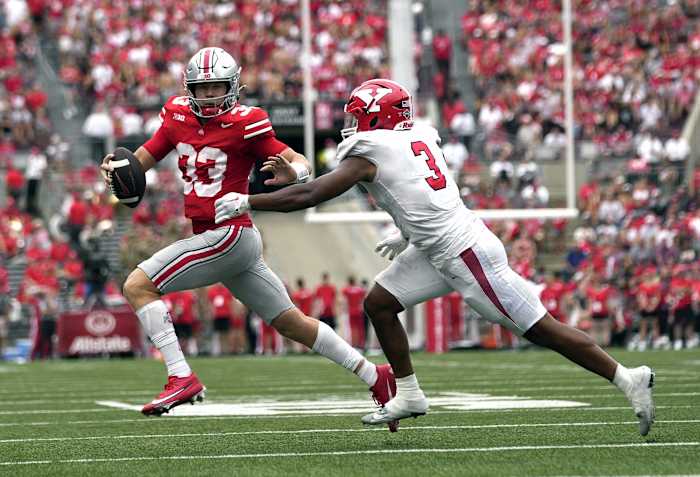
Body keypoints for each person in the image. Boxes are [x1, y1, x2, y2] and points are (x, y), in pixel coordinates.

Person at [213, 78, 656, 436]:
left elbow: (311, 193)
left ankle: (625, 377)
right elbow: (421, 193)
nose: (350, 125)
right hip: (437, 246)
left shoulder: (370, 152)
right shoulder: (419, 135)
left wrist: (250, 202)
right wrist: (407, 235)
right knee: (380, 304)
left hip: (464, 254)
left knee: (540, 328)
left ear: (376, 117)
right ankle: (408, 393)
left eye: (357, 116)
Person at [100, 48, 395, 419]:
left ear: (233, 85)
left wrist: (296, 175)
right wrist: (118, 168)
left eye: (216, 88)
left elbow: (298, 161)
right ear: (189, 88)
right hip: (228, 241)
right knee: (291, 322)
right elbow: (145, 157)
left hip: (228, 234)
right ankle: (376, 375)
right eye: (201, 89)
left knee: (137, 285)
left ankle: (180, 375)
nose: (208, 96)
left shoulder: (247, 122)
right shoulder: (176, 115)